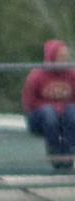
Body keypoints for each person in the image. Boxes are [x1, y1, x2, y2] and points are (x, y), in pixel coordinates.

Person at [22, 39, 75, 169]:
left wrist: (63, 109)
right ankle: (54, 151)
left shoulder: (72, 74)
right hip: (41, 119)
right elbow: (29, 103)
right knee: (49, 113)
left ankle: (69, 151)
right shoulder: (37, 75)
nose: (65, 60)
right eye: (61, 56)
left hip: (65, 116)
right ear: (52, 57)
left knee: (72, 112)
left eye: (66, 56)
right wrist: (55, 108)